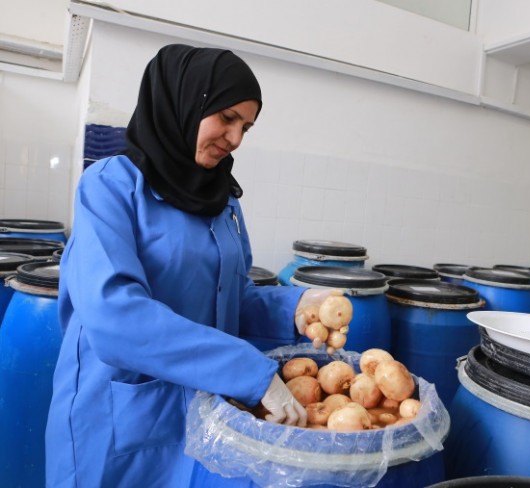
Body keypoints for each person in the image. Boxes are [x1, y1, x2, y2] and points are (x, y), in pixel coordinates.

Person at [45, 44, 343, 487]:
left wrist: (296, 306)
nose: (236, 138)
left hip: (201, 417)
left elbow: (230, 297)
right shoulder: (111, 186)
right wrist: (248, 372)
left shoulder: (222, 202)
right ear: (183, 102)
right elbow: (114, 315)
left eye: (246, 126)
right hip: (118, 417)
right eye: (226, 117)